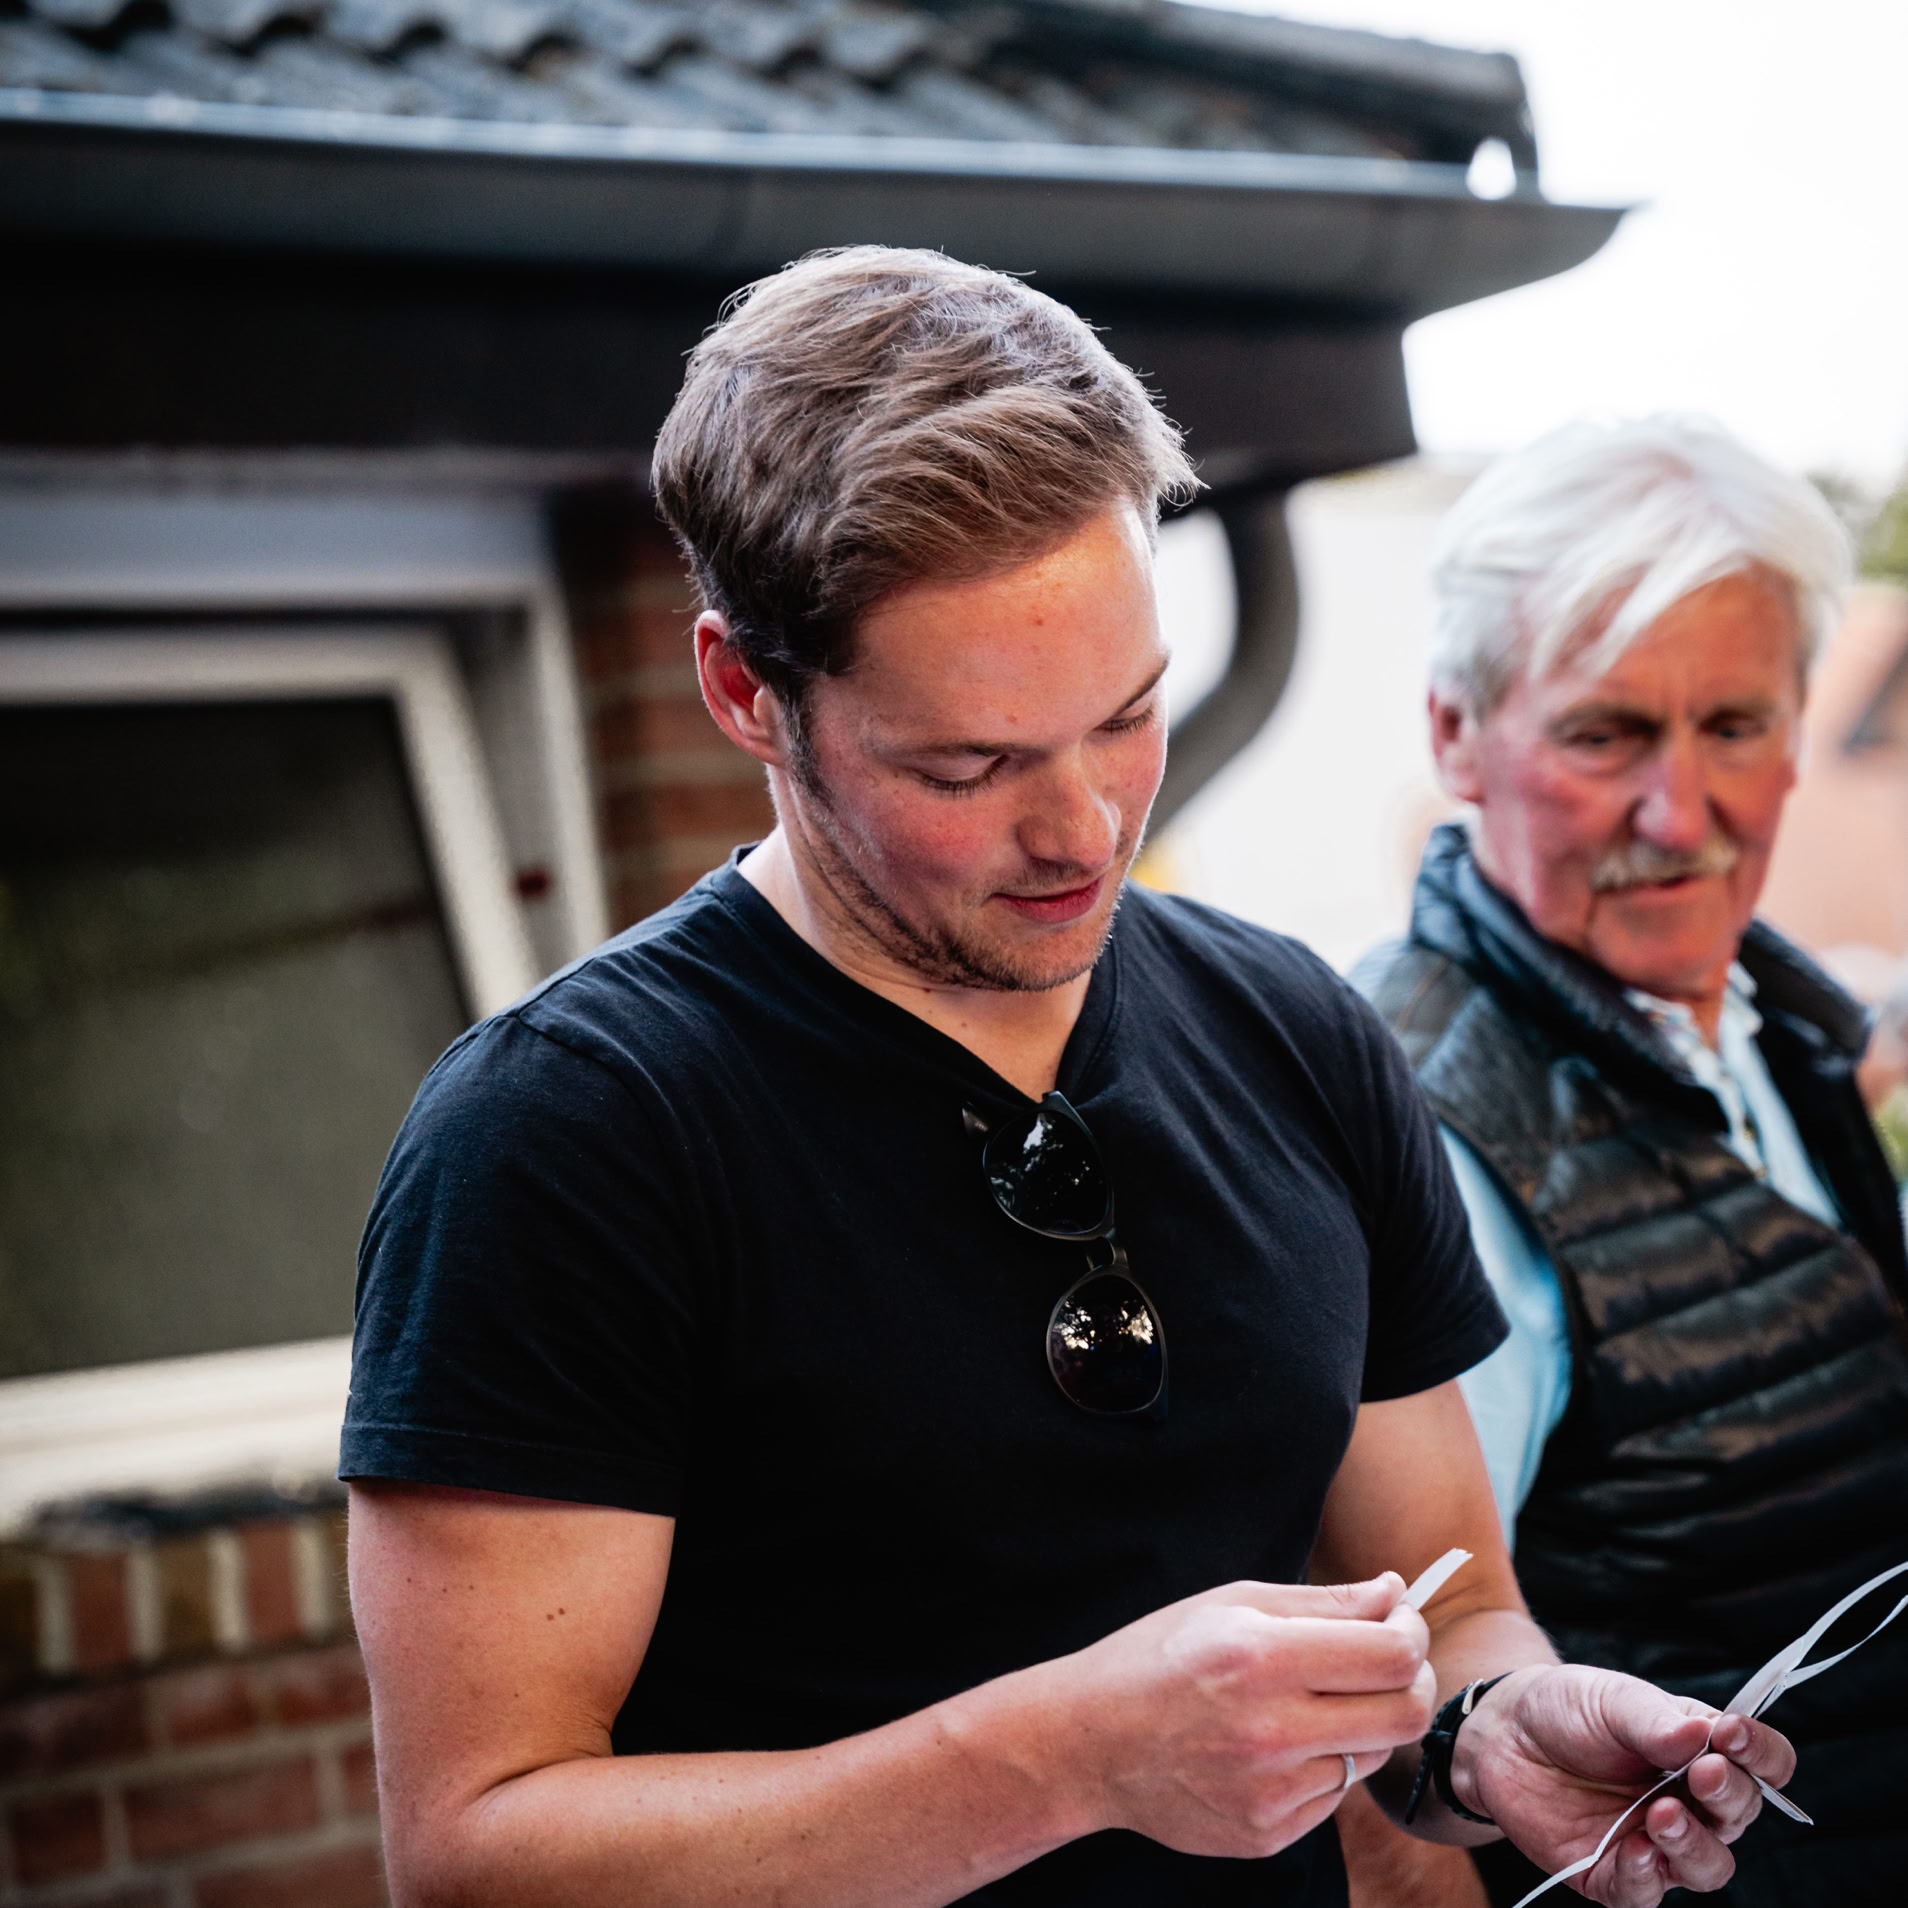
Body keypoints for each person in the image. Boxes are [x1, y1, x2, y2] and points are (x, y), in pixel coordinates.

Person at [343, 254, 1789, 1908]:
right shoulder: (563, 1137)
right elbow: (473, 1856)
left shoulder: (1297, 1031)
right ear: (749, 694)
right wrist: (1064, 1759)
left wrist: (1493, 1730)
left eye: (1128, 715)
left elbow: (1447, 1605)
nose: (1088, 829)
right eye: (969, 765)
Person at [1355, 417, 1908, 1907]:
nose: (1680, 814)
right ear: (1456, 736)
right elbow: (1383, 1757)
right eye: (1604, 735)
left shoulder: (1772, 1022)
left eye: (1734, 727)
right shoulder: (1412, 1123)